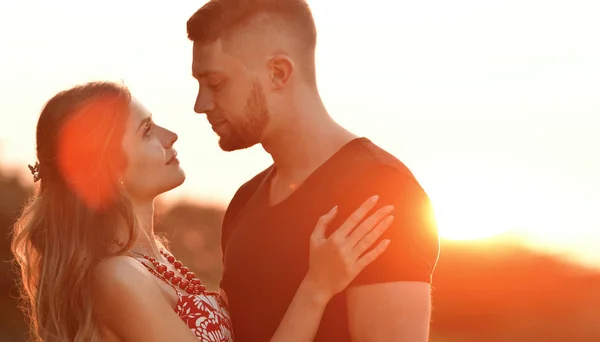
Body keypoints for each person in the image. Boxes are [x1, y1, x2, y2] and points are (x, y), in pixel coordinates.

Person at [11, 81, 396, 342]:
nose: (170, 135)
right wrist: (316, 287)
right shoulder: (117, 277)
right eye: (146, 131)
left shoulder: (153, 261)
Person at [187, 0, 440, 341]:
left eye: (215, 83)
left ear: (279, 72)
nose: (200, 104)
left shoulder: (382, 192)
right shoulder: (244, 202)